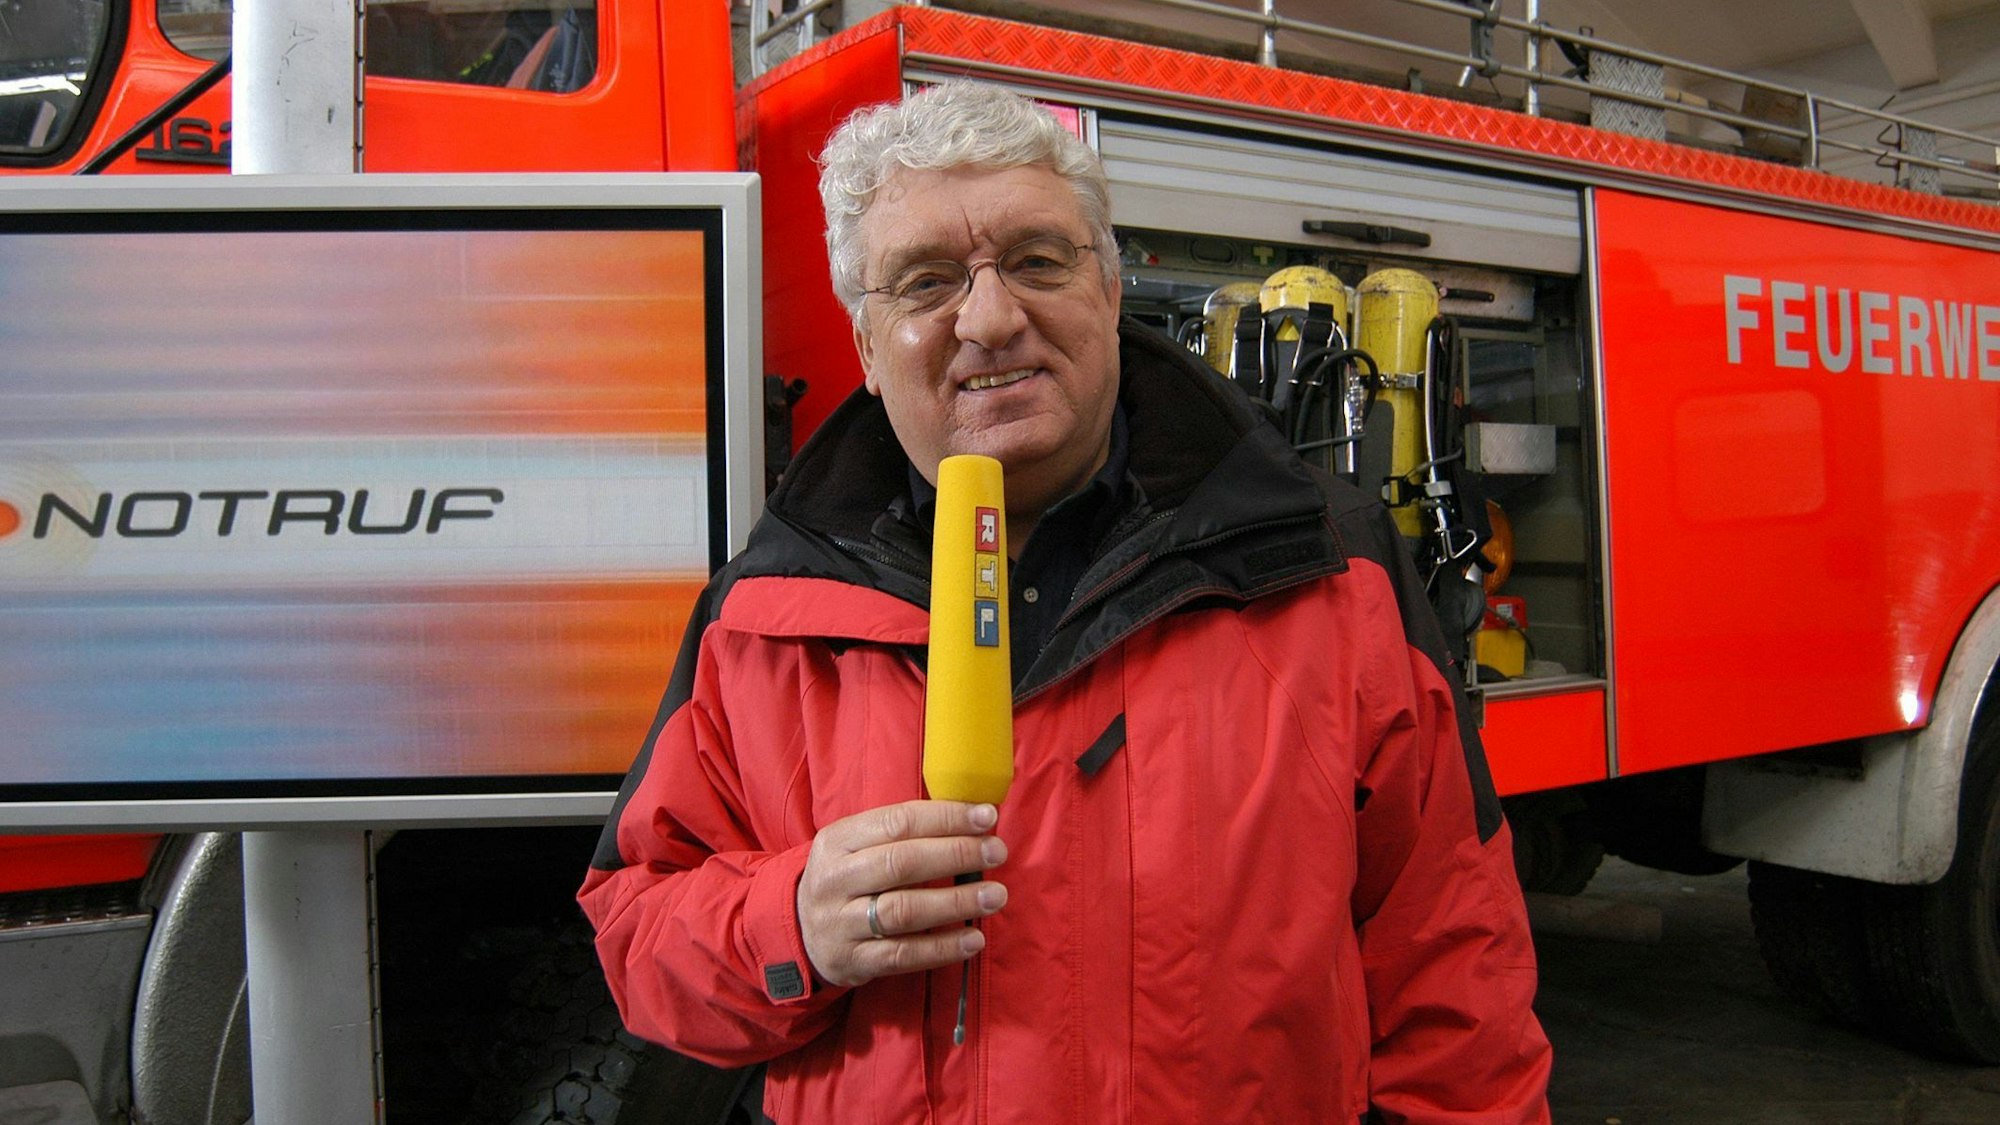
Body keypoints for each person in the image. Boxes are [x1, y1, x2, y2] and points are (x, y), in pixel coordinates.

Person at [580, 80, 1553, 1124]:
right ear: (864, 347)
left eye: (1038, 261)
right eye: (923, 283)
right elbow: (642, 944)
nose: (991, 317)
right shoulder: (765, 617)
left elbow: (1455, 970)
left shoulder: (1326, 571)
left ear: (1110, 288)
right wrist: (790, 926)